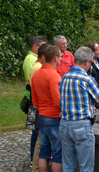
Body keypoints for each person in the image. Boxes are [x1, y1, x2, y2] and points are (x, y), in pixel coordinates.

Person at [58, 47, 99, 171]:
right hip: (81, 125)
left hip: (64, 124)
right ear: (86, 62)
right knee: (86, 167)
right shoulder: (87, 79)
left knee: (68, 165)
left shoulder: (64, 78)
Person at [31, 46, 63, 172]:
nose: (61, 59)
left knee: (43, 152)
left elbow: (35, 99)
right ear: (55, 59)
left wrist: (42, 109)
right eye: (60, 56)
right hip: (54, 118)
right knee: (57, 153)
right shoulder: (54, 76)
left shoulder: (37, 74)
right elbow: (57, 101)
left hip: (42, 116)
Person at [28, 43, 49, 172]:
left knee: (38, 138)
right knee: (38, 138)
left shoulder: (37, 66)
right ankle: (35, 164)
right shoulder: (38, 68)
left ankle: (35, 164)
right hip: (42, 108)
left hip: (40, 106)